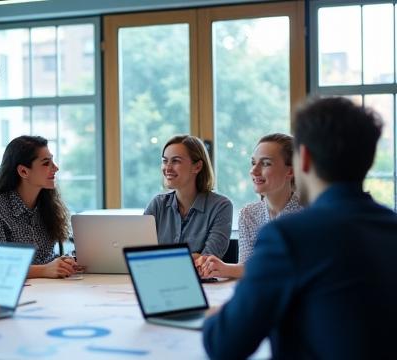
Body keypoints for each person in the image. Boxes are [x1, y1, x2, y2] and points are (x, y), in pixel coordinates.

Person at [203, 97, 397, 359]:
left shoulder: (288, 236)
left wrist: (218, 317)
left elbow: (224, 344)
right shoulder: (390, 227)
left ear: (302, 160)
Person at [195, 133, 302, 278]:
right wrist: (220, 267)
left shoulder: (310, 213)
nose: (254, 171)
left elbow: (294, 269)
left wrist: (226, 269)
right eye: (253, 163)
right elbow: (247, 266)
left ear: (290, 170)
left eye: (266, 163)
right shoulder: (248, 214)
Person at [0, 135, 80, 278]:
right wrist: (45, 270)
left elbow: (47, 259)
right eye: (46, 163)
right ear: (23, 171)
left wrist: (64, 262)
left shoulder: (48, 205)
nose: (56, 167)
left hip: (50, 288)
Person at [144, 135, 232, 258]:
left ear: (197, 167)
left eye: (176, 161)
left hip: (198, 278)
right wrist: (193, 256)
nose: (167, 168)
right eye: (165, 161)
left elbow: (208, 261)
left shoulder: (221, 206)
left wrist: (162, 257)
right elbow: (140, 255)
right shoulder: (157, 204)